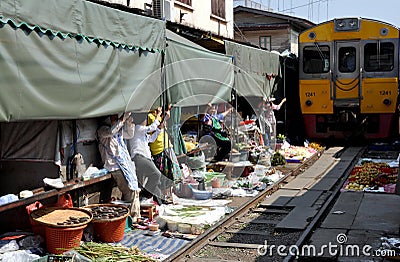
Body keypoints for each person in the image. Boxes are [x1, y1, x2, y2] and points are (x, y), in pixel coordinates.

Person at [96, 112, 140, 221]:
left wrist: (129, 123)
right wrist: (122, 120)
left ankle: (135, 216)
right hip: (114, 166)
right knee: (130, 190)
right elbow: (112, 131)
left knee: (134, 189)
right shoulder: (102, 130)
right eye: (114, 117)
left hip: (124, 164)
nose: (117, 119)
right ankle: (132, 218)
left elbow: (129, 135)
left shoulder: (117, 129)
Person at [127, 108, 170, 204]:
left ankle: (157, 200)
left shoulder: (142, 132)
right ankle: (145, 195)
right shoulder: (137, 128)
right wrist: (159, 115)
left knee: (144, 181)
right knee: (156, 175)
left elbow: (152, 138)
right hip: (139, 157)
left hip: (145, 157)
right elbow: (152, 127)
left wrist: (161, 126)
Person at [147, 106, 182, 189]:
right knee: (163, 173)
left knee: (172, 171)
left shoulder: (157, 115)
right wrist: (163, 116)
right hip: (158, 147)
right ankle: (163, 192)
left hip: (166, 145)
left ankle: (170, 192)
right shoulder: (150, 116)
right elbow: (156, 127)